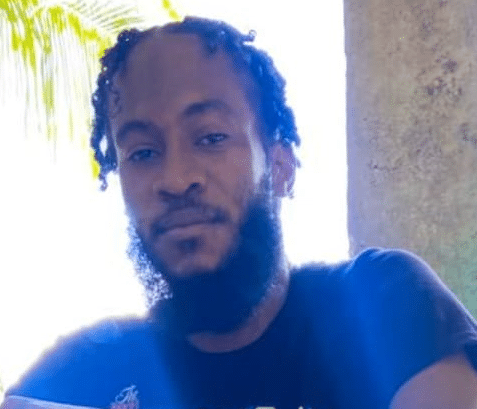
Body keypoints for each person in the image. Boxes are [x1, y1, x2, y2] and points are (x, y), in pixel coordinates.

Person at [3, 16, 477, 409]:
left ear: (280, 167)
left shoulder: (378, 304)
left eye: (211, 138)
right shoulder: (81, 375)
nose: (175, 179)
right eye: (143, 152)